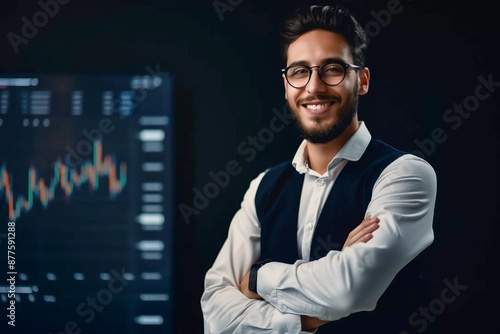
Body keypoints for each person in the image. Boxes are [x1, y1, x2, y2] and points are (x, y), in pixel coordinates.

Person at [201, 4, 437, 334]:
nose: (314, 87)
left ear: (362, 80)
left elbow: (348, 290)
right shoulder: (263, 187)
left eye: (332, 69)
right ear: (286, 85)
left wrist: (257, 277)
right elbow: (215, 315)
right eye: (299, 72)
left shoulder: (405, 175)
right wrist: (306, 316)